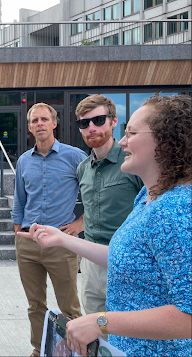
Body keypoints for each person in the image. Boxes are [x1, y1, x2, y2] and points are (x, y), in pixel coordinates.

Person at [18, 94, 191, 357]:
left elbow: (187, 314)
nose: (122, 141)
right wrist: (62, 238)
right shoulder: (146, 197)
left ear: (165, 141)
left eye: (131, 133)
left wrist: (101, 321)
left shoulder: (178, 210)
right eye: (84, 123)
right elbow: (124, 257)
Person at [11, 103, 86, 357]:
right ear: (30, 127)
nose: (40, 123)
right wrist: (17, 233)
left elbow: (93, 192)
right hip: (28, 243)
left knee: (69, 305)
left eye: (44, 119)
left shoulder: (74, 156)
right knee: (35, 304)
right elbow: (19, 200)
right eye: (35, 120)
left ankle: (76, 350)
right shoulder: (23, 161)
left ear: (55, 123)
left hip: (60, 243)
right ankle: (40, 348)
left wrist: (80, 223)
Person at [73, 95, 143, 319]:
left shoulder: (133, 163)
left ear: (114, 122)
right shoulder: (83, 169)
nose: (91, 128)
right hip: (91, 262)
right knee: (97, 336)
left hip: (127, 261)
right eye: (85, 123)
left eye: (99, 120)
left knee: (127, 336)